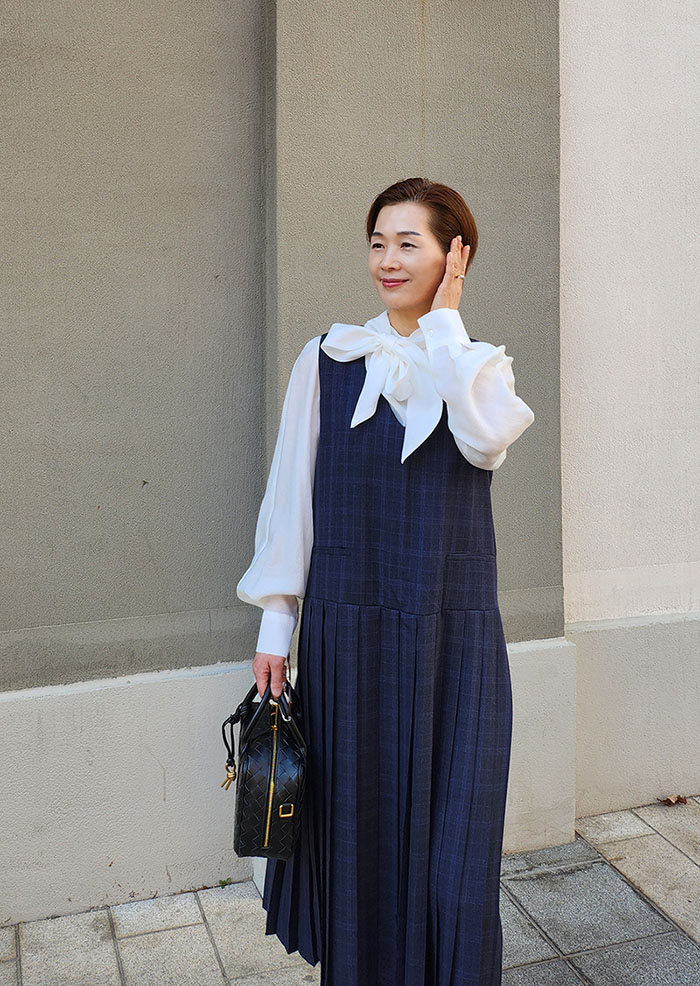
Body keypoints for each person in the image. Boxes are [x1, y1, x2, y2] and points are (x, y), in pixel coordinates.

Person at [236, 177, 535, 986]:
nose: (388, 261)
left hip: (455, 639)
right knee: (358, 840)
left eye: (409, 243)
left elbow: (485, 441)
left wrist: (445, 324)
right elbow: (290, 500)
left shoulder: (478, 369)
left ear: (454, 255)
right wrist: (275, 627)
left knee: (457, 851)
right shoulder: (327, 360)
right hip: (349, 635)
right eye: (378, 243)